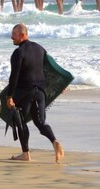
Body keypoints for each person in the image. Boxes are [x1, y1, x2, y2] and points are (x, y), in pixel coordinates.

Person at [6, 23, 64, 163]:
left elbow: (14, 77)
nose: (11, 37)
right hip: (40, 92)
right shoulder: (40, 48)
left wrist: (9, 96)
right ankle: (54, 141)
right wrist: (60, 85)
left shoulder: (18, 53)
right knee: (40, 122)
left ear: (22, 35)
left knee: (20, 121)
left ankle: (26, 154)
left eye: (14, 34)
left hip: (25, 92)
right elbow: (51, 68)